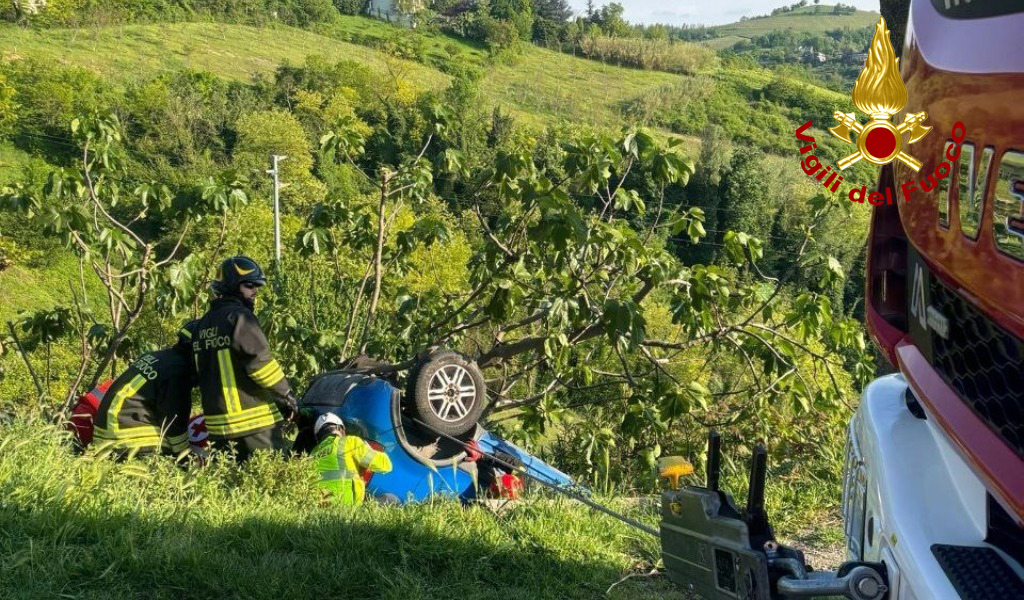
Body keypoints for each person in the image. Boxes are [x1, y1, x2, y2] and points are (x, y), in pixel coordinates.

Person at [194, 256, 298, 462]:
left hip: (218, 427)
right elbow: (261, 365)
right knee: (273, 479)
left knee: (232, 485)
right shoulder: (240, 317)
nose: (255, 291)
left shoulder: (203, 324)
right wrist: (287, 396)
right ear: (233, 286)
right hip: (253, 423)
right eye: (249, 285)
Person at [92, 322, 198, 457]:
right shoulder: (178, 370)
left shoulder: (157, 356)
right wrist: (186, 456)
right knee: (172, 456)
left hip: (107, 433)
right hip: (128, 437)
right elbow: (173, 420)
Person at [311, 413, 392, 506]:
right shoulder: (349, 442)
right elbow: (385, 465)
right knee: (391, 499)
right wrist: (367, 447)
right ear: (340, 428)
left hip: (321, 509)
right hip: (348, 506)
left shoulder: (312, 454)